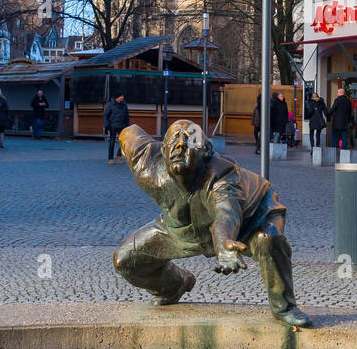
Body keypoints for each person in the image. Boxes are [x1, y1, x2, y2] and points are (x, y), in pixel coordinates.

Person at [114, 119, 311, 326]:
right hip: (180, 230)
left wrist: (224, 243)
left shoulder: (222, 173)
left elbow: (226, 212)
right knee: (125, 260)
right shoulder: (147, 164)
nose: (180, 145)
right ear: (163, 150)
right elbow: (130, 134)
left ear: (206, 151)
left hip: (249, 219)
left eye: (190, 140)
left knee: (268, 239)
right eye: (174, 139)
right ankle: (174, 285)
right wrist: (123, 129)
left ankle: (284, 307)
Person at [104, 91, 130, 163]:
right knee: (112, 142)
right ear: (117, 97)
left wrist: (128, 125)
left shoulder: (124, 105)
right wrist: (106, 125)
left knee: (124, 142)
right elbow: (105, 115)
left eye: (123, 96)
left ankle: (118, 155)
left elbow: (127, 116)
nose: (123, 97)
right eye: (121, 96)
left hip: (122, 126)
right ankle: (110, 159)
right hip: (113, 126)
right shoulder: (110, 105)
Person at [329, 87, 353, 151]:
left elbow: (333, 109)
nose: (337, 93)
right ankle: (343, 148)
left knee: (334, 135)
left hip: (337, 121)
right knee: (344, 135)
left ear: (341, 93)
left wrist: (328, 114)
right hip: (345, 121)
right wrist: (349, 120)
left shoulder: (337, 100)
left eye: (337, 92)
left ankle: (334, 147)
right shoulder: (348, 101)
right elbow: (350, 111)